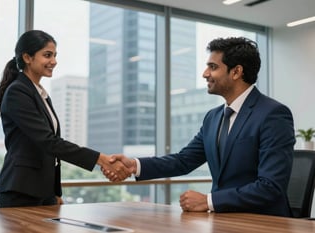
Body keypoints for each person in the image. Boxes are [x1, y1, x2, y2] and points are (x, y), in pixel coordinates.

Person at [104, 37, 296, 217]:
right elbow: (184, 160)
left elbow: (270, 187)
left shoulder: (273, 114)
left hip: (264, 223)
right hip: (223, 221)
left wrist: (208, 201)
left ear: (236, 71)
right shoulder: (213, 117)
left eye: (212, 67)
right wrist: (134, 165)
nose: (205, 74)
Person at [0, 30, 129, 207]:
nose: (54, 62)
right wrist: (101, 159)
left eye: (55, 55)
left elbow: (48, 150)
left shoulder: (39, 93)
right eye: (47, 55)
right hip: (20, 192)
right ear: (27, 57)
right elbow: (49, 142)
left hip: (42, 193)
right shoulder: (18, 91)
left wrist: (53, 192)